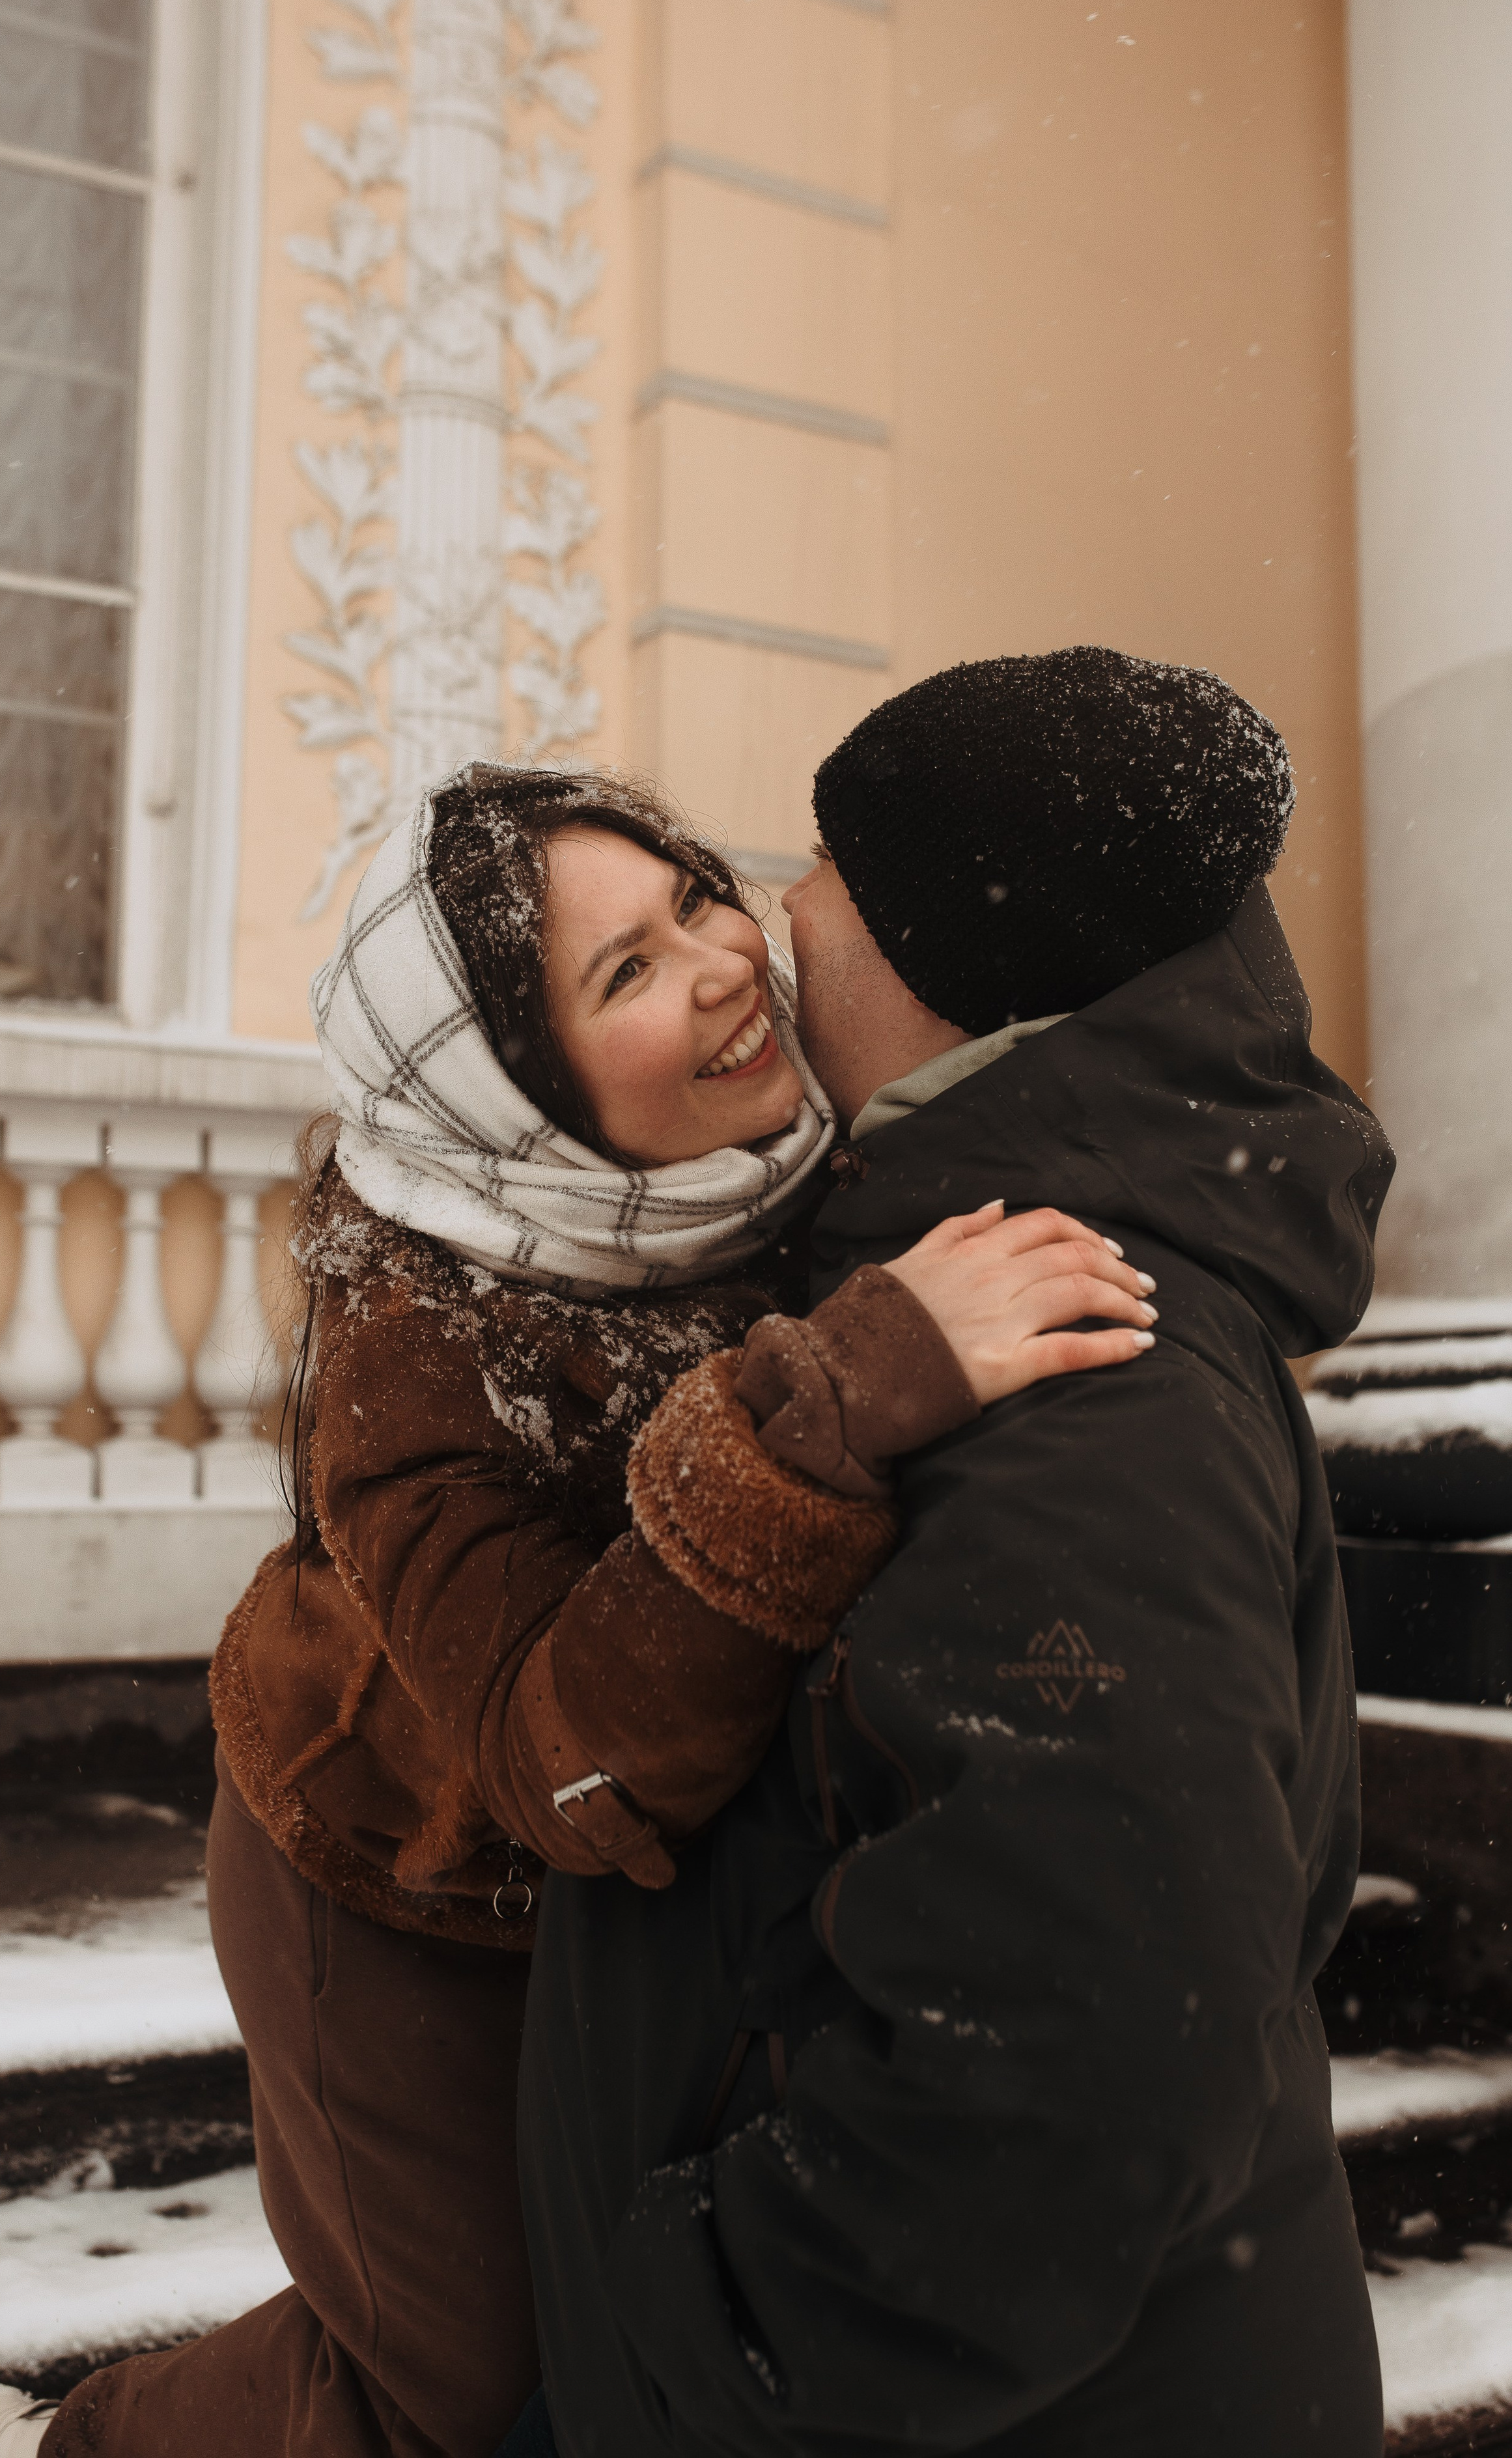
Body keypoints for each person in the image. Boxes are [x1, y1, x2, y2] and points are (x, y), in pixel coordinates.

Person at [0, 766, 1155, 2458]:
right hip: (390, 1889)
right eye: (622, 971)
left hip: (658, 1916)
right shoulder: (419, 1350)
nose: (720, 962)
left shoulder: (778, 1175)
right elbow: (569, 1760)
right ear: (513, 1089)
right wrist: (847, 1385)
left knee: (585, 2318)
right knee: (457, 2395)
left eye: (699, 897)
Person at [516, 649, 1395, 2458]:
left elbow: (1083, 2056)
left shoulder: (1079, 1384)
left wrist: (722, 2320)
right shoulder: (1012, 1293)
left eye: (823, 868)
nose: (778, 917)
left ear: (945, 958)